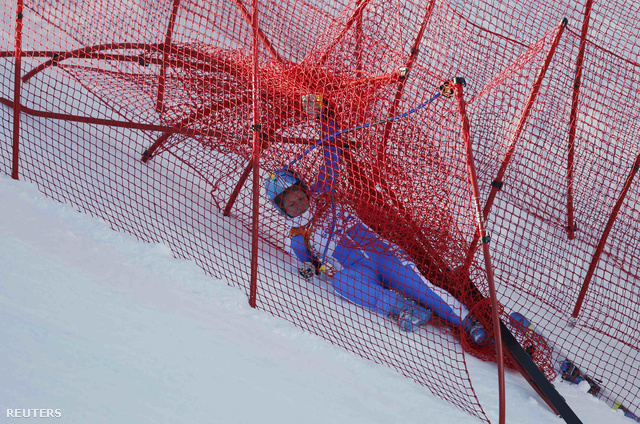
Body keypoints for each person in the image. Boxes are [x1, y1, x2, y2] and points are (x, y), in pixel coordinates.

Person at [264, 106, 488, 343]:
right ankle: (403, 308)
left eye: (300, 197)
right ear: (282, 209)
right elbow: (309, 263)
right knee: (342, 283)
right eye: (291, 204)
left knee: (422, 288)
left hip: (384, 255)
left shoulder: (323, 195)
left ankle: (468, 322)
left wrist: (325, 119)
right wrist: (308, 268)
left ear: (306, 191)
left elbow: (331, 156)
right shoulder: (298, 237)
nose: (299, 205)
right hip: (357, 269)